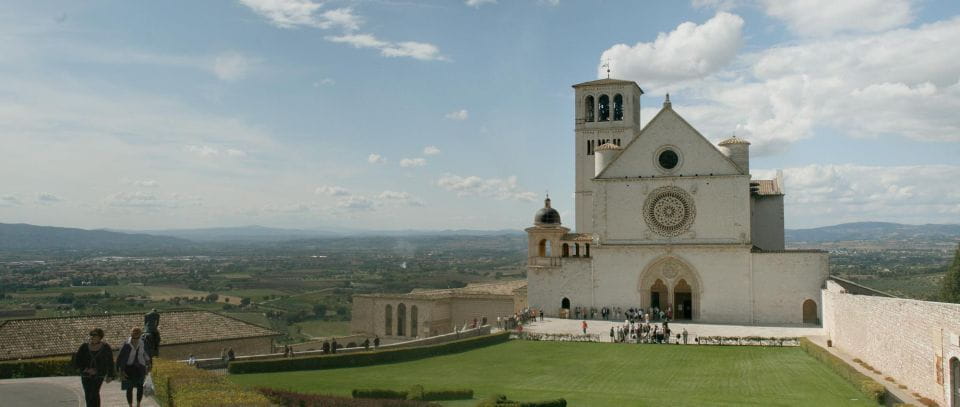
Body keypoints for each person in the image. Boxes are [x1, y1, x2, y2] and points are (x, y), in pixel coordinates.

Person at [72, 328, 116, 407]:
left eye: (94, 335)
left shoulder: (105, 347)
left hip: (99, 375)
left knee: (94, 393)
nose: (92, 336)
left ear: (100, 336)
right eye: (91, 334)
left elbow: (110, 362)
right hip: (86, 375)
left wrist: (110, 375)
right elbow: (77, 361)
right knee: (88, 394)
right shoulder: (84, 347)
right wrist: (86, 369)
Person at [117, 327, 151, 407]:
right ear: (131, 334)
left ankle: (138, 404)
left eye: (137, 336)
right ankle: (130, 405)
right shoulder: (126, 344)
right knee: (129, 388)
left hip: (140, 368)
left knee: (140, 387)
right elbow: (120, 357)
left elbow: (144, 354)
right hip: (128, 368)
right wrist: (121, 370)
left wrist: (148, 363)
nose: (135, 339)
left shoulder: (142, 343)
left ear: (140, 335)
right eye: (134, 336)